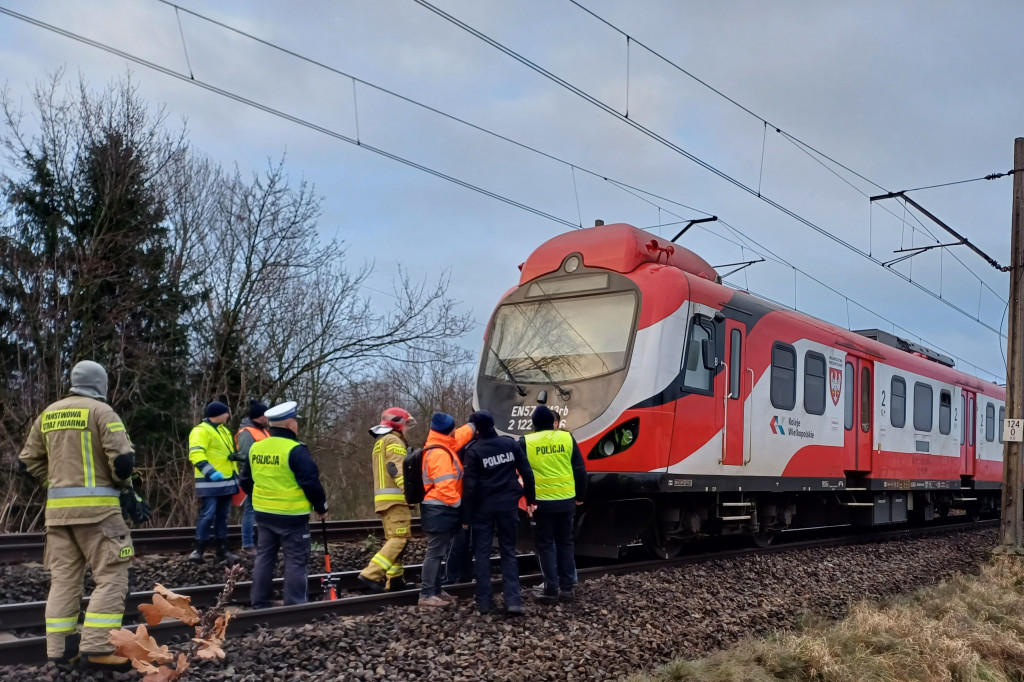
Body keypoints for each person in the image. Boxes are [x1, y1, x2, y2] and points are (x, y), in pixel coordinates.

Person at [18, 361, 138, 671]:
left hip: (58, 516)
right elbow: (123, 461)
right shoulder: (101, 412)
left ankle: (60, 650)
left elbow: (26, 462)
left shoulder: (48, 413)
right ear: (102, 384)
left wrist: (54, 484)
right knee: (112, 576)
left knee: (64, 581)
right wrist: (124, 489)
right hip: (99, 514)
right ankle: (98, 647)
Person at [240, 400, 328, 608]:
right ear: (289, 425)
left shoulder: (256, 448)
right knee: (296, 561)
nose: (297, 425)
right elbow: (311, 483)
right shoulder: (296, 450)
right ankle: (295, 606)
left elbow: (245, 481)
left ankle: (259, 602)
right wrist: (321, 507)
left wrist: (260, 498)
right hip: (292, 517)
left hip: (263, 514)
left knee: (264, 558)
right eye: (295, 421)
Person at [461, 410, 535, 615]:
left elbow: (469, 487)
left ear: (476, 428)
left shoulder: (474, 451)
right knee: (509, 551)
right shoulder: (510, 444)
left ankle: (484, 602)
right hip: (508, 506)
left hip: (483, 510)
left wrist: (465, 517)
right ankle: (514, 600)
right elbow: (527, 473)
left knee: (482, 553)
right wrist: (530, 500)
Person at [520, 405, 586, 604]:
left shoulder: (527, 442)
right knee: (566, 543)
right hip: (566, 502)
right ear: (553, 422)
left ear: (534, 424)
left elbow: (524, 475)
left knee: (546, 546)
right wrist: (580, 496)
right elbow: (580, 469)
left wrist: (529, 501)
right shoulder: (567, 438)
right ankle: (567, 589)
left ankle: (550, 590)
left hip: (542, 505)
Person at [418, 412, 475, 609]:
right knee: (434, 553)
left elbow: (461, 435)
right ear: (447, 430)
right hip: (440, 508)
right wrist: (461, 506)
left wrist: (473, 425)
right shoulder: (440, 454)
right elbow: (446, 489)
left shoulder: (442, 443)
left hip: (440, 508)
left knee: (439, 551)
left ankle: (435, 590)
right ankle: (426, 594)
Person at [358, 407, 417, 593]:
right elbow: (397, 468)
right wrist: (409, 494)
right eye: (406, 424)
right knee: (399, 539)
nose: (407, 428)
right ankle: (371, 574)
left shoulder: (381, 441)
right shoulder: (393, 440)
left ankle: (395, 579)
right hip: (396, 500)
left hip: (384, 501)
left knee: (394, 538)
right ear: (397, 424)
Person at [187, 401, 240, 563]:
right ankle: (198, 550)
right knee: (208, 514)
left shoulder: (224, 430)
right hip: (210, 481)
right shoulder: (201, 431)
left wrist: (234, 457)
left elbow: (223, 452)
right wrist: (211, 472)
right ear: (217, 414)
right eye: (226, 413)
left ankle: (222, 550)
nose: (228, 415)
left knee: (223, 516)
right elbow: (196, 454)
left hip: (227, 481)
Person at [233, 400, 270, 554]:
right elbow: (246, 456)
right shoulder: (247, 432)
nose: (268, 418)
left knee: (261, 510)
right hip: (254, 476)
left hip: (265, 475)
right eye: (265, 415)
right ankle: (247, 544)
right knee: (251, 510)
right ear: (259, 416)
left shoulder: (262, 430)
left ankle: (260, 542)